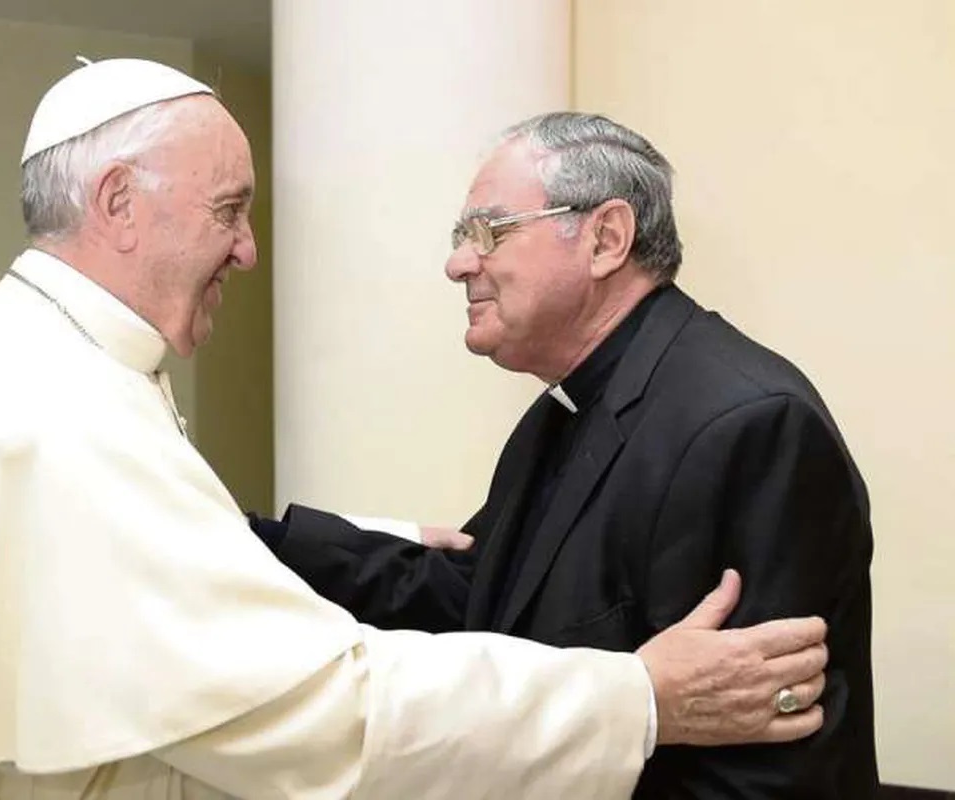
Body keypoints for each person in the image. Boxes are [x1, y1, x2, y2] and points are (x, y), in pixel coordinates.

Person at [0, 60, 830, 800]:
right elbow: (335, 708)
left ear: (607, 238)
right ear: (118, 204)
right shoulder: (58, 407)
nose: (248, 247)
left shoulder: (35, 357)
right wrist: (638, 697)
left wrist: (358, 540)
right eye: (229, 208)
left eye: (488, 231)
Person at [249, 111, 878, 798]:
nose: (459, 262)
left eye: (487, 230)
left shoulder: (749, 425)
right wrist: (251, 543)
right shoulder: (563, 408)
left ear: (606, 239)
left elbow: (763, 759)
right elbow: (482, 600)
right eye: (461, 236)